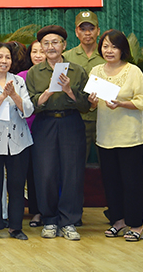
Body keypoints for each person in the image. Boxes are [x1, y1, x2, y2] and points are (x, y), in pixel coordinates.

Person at [26, 25, 89, 241]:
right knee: (45, 174)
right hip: (45, 124)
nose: (51, 47)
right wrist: (45, 96)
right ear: (41, 47)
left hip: (71, 123)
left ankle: (69, 221)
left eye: (55, 42)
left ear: (64, 45)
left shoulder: (77, 71)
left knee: (72, 173)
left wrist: (69, 91)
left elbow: (86, 106)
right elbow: (30, 104)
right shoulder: (35, 72)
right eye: (46, 43)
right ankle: (50, 220)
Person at [87, 29, 143, 242]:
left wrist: (122, 103)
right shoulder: (96, 70)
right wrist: (93, 102)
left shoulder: (133, 72)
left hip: (129, 137)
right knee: (111, 181)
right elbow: (91, 104)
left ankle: (137, 225)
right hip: (105, 137)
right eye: (105, 46)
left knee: (132, 182)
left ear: (123, 49)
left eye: (114, 46)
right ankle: (118, 221)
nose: (109, 50)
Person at [0, 42, 34, 241]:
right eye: (0, 57)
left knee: (17, 186)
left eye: (7, 57)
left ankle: (16, 227)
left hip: (19, 141)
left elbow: (28, 109)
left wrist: (14, 95)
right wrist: (3, 95)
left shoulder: (18, 81)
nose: (4, 61)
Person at [63, 11, 104, 165]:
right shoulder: (67, 57)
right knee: (75, 166)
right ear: (76, 32)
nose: (87, 33)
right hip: (76, 120)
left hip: (104, 118)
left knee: (109, 166)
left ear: (98, 31)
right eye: (83, 29)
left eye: (91, 28)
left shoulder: (107, 55)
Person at [18, 40, 45, 228]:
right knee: (28, 173)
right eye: (34, 51)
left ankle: (44, 212)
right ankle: (32, 212)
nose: (38, 55)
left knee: (44, 173)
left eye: (41, 51)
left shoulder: (55, 75)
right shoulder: (21, 76)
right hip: (25, 130)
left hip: (45, 130)